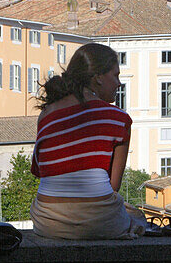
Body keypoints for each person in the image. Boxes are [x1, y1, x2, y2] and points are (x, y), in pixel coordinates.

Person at [29, 43, 147, 240]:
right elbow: (113, 186)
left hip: (47, 224)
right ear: (98, 78)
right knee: (137, 216)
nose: (119, 83)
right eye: (115, 75)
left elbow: (42, 173)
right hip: (102, 223)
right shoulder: (118, 119)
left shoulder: (46, 115)